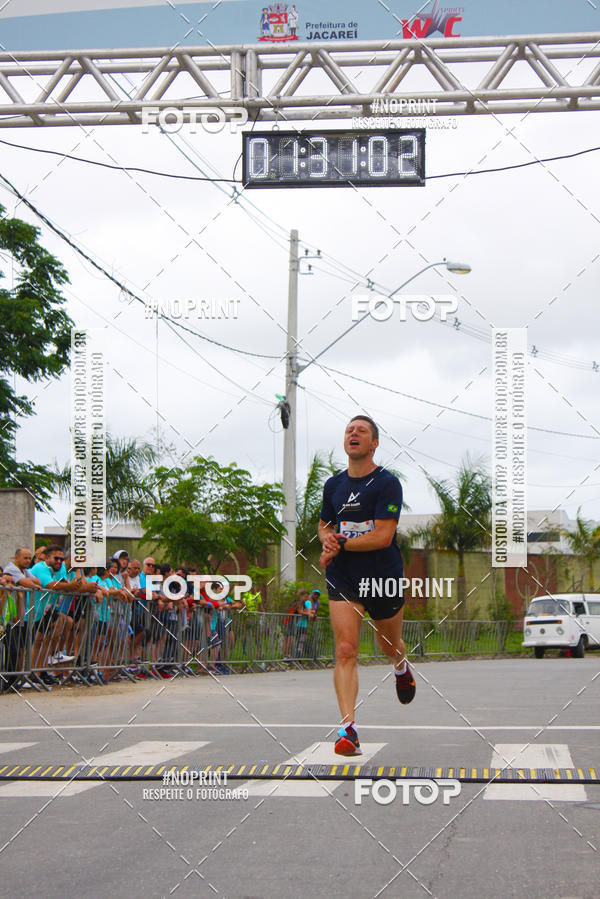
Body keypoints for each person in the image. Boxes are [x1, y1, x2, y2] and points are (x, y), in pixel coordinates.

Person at [318, 415, 415, 757]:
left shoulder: (386, 484)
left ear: (374, 443)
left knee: (388, 643)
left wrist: (339, 544)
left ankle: (401, 667)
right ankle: (348, 730)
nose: (353, 434)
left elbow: (382, 536)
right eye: (348, 430)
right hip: (344, 576)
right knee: (346, 649)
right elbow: (325, 525)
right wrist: (328, 542)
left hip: (382, 574)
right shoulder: (333, 486)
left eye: (361, 431)